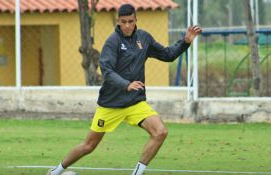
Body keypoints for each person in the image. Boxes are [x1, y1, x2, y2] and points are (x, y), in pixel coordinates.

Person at [47, 3, 202, 175]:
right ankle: (56, 171)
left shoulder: (144, 38)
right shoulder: (112, 42)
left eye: (130, 21)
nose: (127, 25)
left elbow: (167, 54)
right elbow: (107, 71)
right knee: (89, 146)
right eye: (123, 22)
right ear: (118, 21)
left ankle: (136, 173)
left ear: (136, 20)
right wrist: (126, 85)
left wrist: (185, 42)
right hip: (111, 104)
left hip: (135, 103)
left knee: (160, 132)